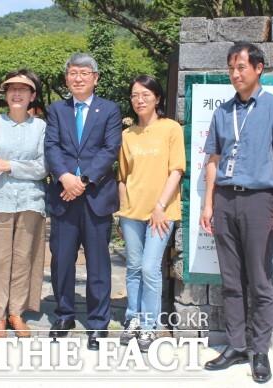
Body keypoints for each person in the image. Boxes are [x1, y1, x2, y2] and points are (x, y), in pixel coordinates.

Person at [199, 42, 273, 383]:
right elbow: (212, 160)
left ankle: (260, 351)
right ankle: (236, 345)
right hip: (225, 199)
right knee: (231, 280)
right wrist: (209, 203)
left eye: (241, 67)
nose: (235, 74)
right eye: (231, 68)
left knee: (260, 280)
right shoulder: (222, 112)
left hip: (259, 200)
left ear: (258, 68)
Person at [44, 53, 122, 350]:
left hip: (96, 197)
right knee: (62, 261)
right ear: (66, 78)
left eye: (84, 72)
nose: (78, 78)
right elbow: (51, 146)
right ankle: (64, 315)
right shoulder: (57, 110)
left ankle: (98, 322)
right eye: (73, 73)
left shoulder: (110, 110)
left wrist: (83, 180)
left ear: (95, 77)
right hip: (64, 197)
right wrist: (65, 177)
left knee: (99, 264)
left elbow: (110, 149)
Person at [0, 69, 47, 338]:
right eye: (12, 89)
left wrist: (11, 165)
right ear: (6, 94)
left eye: (23, 89)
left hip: (31, 200)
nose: (17, 93)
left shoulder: (41, 127)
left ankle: (16, 312)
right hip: (0, 199)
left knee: (23, 258)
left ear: (32, 96)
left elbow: (44, 167)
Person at [117, 75, 185, 352]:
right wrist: (122, 210)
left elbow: (176, 171)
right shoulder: (127, 134)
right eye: (134, 95)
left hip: (162, 211)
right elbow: (123, 177)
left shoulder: (171, 128)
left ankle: (149, 326)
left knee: (149, 268)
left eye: (145, 94)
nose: (139, 100)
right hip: (131, 212)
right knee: (133, 268)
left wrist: (160, 207)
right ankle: (132, 319)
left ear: (157, 98)